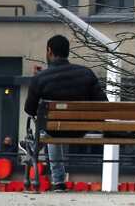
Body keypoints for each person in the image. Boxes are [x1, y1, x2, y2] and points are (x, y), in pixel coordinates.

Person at [24, 34, 108, 191]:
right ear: (67, 51)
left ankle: (58, 181)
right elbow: (103, 104)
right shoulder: (86, 73)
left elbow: (29, 109)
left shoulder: (40, 78)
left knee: (49, 130)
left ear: (49, 51)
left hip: (53, 131)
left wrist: (37, 80)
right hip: (81, 130)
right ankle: (58, 180)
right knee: (51, 129)